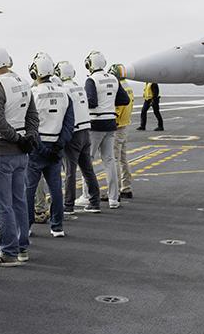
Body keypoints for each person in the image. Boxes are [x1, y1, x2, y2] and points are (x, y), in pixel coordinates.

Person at [0, 46, 39, 266]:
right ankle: (22, 248)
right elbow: (32, 115)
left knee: (2, 204)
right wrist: (27, 138)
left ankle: (8, 252)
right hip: (21, 153)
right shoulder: (23, 83)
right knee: (19, 201)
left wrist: (16, 139)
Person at [24, 53, 74, 237]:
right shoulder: (65, 92)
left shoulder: (33, 93)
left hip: (37, 147)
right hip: (56, 146)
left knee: (29, 190)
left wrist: (41, 148)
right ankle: (57, 226)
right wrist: (58, 146)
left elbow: (29, 124)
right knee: (56, 189)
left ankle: (27, 226)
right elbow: (69, 125)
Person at [84, 51, 130, 209]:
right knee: (109, 161)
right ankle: (113, 198)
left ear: (90, 64)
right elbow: (124, 99)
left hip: (96, 123)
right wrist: (109, 101)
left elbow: (91, 102)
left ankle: (87, 195)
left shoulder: (91, 80)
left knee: (87, 161)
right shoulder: (114, 78)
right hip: (111, 123)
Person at [55, 61, 101, 215]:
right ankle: (95, 202)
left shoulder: (64, 89)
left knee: (70, 172)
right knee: (88, 169)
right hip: (85, 131)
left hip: (73, 134)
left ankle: (68, 205)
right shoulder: (79, 87)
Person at [110, 64, 135, 199]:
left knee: (113, 159)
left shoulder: (119, 87)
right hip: (125, 125)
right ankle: (126, 187)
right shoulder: (128, 86)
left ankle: (115, 192)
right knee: (123, 159)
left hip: (118, 126)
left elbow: (118, 108)